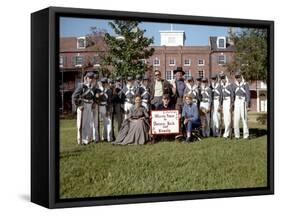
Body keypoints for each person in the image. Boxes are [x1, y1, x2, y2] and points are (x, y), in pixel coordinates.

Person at [72, 71, 99, 145]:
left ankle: (86, 140)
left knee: (88, 123)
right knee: (81, 124)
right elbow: (74, 96)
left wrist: (95, 102)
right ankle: (80, 140)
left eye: (92, 78)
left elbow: (95, 96)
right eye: (90, 78)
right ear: (86, 78)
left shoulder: (93, 87)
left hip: (90, 105)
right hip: (83, 105)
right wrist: (78, 105)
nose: (91, 79)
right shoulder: (82, 86)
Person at [233, 71, 250, 139]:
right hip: (236, 101)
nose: (237, 78)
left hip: (243, 101)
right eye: (236, 77)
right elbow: (233, 94)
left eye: (238, 77)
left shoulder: (245, 84)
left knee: (244, 118)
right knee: (236, 119)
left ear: (241, 76)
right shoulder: (234, 84)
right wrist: (232, 103)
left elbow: (248, 94)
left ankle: (246, 135)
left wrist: (247, 103)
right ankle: (237, 135)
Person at [172, 66, 186, 139]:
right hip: (177, 101)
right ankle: (178, 133)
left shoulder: (185, 82)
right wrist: (173, 88)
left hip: (184, 100)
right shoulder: (173, 82)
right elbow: (172, 93)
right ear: (175, 74)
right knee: (177, 117)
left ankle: (184, 132)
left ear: (182, 74)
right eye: (178, 73)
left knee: (184, 117)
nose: (179, 74)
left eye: (180, 73)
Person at [98, 77, 113, 142]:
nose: (103, 84)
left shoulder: (109, 91)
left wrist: (108, 110)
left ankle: (109, 137)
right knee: (96, 123)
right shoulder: (98, 90)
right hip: (99, 107)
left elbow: (109, 101)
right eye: (102, 82)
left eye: (105, 83)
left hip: (106, 106)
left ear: (107, 83)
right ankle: (99, 137)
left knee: (108, 122)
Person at [220, 73, 234, 139]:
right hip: (224, 102)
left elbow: (232, 94)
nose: (223, 80)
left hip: (228, 101)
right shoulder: (222, 86)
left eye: (223, 78)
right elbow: (221, 96)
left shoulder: (229, 85)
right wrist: (221, 104)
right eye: (222, 79)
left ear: (226, 78)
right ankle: (226, 132)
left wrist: (232, 103)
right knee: (225, 118)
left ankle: (227, 133)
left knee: (228, 118)